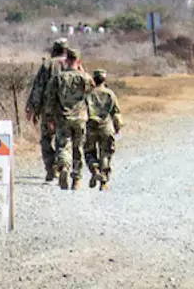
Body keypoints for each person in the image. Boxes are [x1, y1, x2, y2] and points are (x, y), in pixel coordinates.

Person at [47, 47, 96, 189]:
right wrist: (82, 70)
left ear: (66, 60)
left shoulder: (57, 78)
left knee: (63, 145)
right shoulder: (84, 77)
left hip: (63, 117)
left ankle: (63, 167)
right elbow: (93, 89)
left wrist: (50, 118)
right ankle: (76, 180)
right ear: (78, 60)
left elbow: (50, 99)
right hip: (80, 118)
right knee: (78, 147)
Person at [25, 38, 68, 181]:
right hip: (68, 111)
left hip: (48, 110)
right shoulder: (73, 65)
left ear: (54, 50)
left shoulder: (48, 65)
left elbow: (38, 88)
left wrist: (33, 109)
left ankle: (51, 169)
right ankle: (63, 164)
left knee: (46, 139)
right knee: (64, 140)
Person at [84, 69, 123, 191]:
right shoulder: (110, 94)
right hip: (105, 127)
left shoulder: (88, 94)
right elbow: (116, 114)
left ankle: (94, 169)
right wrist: (118, 128)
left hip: (91, 126)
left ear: (94, 80)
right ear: (104, 79)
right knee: (106, 153)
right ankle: (104, 182)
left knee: (89, 151)